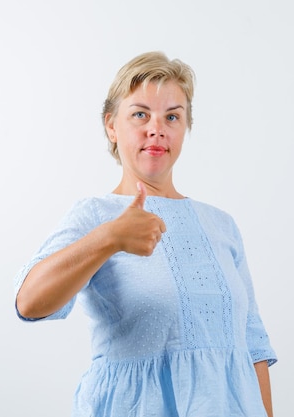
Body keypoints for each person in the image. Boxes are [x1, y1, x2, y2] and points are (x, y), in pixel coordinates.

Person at [14, 51, 277, 417]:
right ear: (111, 126)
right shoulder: (95, 215)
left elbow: (252, 344)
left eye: (172, 116)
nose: (157, 128)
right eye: (140, 114)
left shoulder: (222, 225)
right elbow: (29, 303)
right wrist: (109, 238)